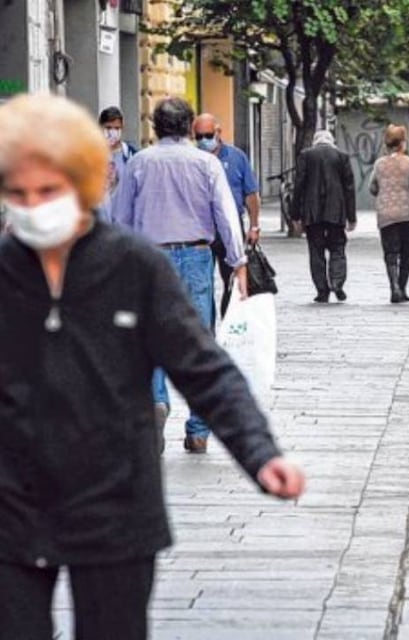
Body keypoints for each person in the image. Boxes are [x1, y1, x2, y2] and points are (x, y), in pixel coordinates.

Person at [0, 93, 305, 640]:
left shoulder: (132, 267)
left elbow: (204, 368)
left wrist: (259, 454)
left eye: (47, 190)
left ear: (84, 184)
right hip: (12, 503)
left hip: (115, 501)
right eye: (18, 193)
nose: (32, 205)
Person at [113, 97, 247, 454]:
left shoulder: (139, 163)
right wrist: (238, 261)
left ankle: (157, 402)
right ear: (190, 128)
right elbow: (226, 214)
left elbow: (120, 218)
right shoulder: (206, 164)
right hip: (198, 256)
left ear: (156, 127)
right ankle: (199, 429)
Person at [192, 113, 261, 317]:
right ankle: (207, 327)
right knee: (202, 284)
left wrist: (254, 225)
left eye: (208, 135)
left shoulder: (236, 157)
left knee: (233, 278)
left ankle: (229, 321)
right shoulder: (193, 159)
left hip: (229, 228)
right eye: (199, 136)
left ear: (218, 132)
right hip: (200, 228)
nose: (204, 140)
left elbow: (251, 194)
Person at [290, 129, 357, 303]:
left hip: (312, 212)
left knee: (316, 251)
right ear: (332, 141)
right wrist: (351, 216)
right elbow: (349, 187)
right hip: (336, 211)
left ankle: (322, 290)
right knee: (338, 248)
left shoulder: (306, 155)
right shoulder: (342, 156)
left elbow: (299, 185)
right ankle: (337, 282)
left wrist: (295, 214)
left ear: (315, 141)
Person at [369, 124, 409, 303]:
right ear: (403, 143)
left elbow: (372, 187)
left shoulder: (379, 164)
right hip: (407, 214)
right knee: (406, 252)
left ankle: (393, 286)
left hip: (386, 214)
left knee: (390, 253)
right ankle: (402, 288)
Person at [98, 106, 138, 221]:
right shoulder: (92, 154)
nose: (113, 132)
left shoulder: (131, 154)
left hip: (124, 218)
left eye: (117, 128)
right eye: (108, 128)